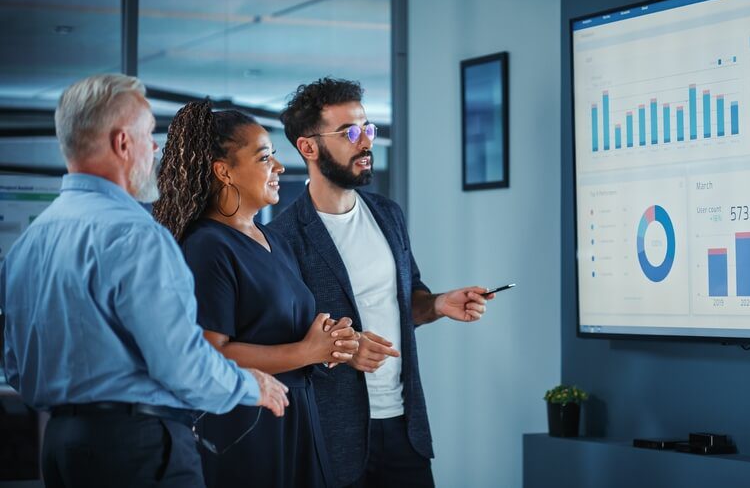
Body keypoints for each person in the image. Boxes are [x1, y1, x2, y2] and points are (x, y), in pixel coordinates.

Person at [0, 74, 290, 488]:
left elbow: (14, 365)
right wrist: (251, 385)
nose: (155, 148)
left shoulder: (31, 241)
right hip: (137, 450)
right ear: (122, 143)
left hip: (60, 447)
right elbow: (180, 362)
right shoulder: (135, 234)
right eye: (147, 134)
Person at [269, 77, 495, 487]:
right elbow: (284, 341)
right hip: (333, 436)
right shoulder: (284, 238)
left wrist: (439, 304)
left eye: (367, 129)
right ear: (308, 147)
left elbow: (407, 301)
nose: (365, 142)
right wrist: (344, 350)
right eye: (349, 132)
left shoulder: (388, 214)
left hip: (405, 428)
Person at [152, 101, 361, 488]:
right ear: (224, 171)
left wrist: (331, 343)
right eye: (265, 158)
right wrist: (306, 352)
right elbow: (210, 353)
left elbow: (281, 329)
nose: (279, 167)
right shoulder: (207, 247)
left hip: (296, 417)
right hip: (247, 429)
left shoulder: (274, 241)